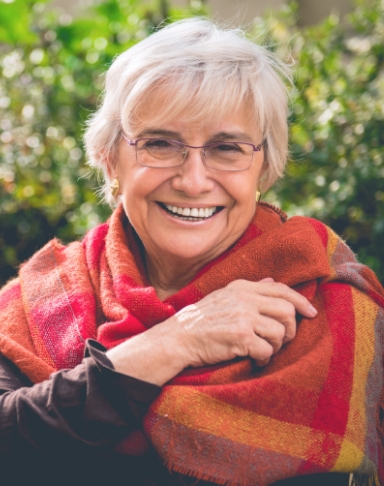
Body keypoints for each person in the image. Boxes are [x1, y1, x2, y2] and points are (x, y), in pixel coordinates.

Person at [0, 18, 383, 486]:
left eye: (227, 148)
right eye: (160, 144)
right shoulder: (37, 301)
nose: (193, 180)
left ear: (264, 167)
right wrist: (176, 341)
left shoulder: (328, 298)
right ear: (109, 158)